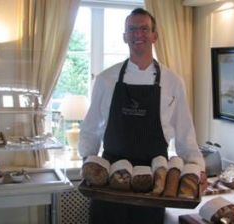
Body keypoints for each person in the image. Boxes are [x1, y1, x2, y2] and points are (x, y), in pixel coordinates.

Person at [78, 8, 206, 224]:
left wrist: (197, 168)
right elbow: (91, 128)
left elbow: (185, 133)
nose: (138, 34)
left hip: (155, 179)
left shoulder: (173, 82)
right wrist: (87, 161)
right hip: (109, 178)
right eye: (132, 29)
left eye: (144, 29)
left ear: (154, 35)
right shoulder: (105, 79)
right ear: (125, 36)